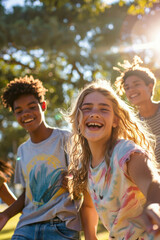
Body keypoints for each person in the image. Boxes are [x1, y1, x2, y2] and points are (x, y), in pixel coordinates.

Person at [67, 79, 160, 240]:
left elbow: (152, 182)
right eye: (87, 108)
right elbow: (89, 205)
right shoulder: (86, 165)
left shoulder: (125, 152)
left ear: (115, 120)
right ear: (77, 118)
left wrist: (154, 203)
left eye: (104, 109)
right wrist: (90, 235)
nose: (94, 113)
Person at [0, 75, 82, 240]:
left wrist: (73, 179)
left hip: (61, 225)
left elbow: (82, 175)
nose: (26, 114)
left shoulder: (65, 139)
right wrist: (6, 215)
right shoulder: (22, 151)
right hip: (27, 227)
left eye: (32, 107)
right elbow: (28, 194)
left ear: (43, 106)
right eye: (19, 111)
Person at [114, 56, 160, 163]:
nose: (131, 90)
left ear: (150, 87)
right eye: (127, 88)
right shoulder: (132, 126)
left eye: (136, 84)